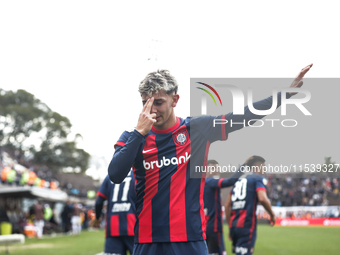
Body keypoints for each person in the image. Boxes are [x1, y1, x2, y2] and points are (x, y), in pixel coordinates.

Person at [108, 64, 312, 255]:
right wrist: (138, 134)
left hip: (190, 239)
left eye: (158, 102)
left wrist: (282, 96)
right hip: (147, 240)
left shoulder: (197, 128)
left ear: (175, 100)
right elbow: (115, 175)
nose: (151, 110)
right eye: (145, 103)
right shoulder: (131, 138)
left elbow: (243, 116)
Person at [224, 156, 276, 255]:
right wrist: (272, 215)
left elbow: (227, 206)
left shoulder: (238, 181)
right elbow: (262, 198)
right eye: (263, 167)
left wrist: (230, 227)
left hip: (234, 227)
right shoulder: (257, 178)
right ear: (257, 166)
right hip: (246, 226)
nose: (265, 170)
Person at [204, 160, 244, 255]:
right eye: (213, 168)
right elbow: (230, 181)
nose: (216, 170)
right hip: (214, 227)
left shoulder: (204, 183)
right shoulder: (211, 181)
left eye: (217, 168)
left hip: (205, 226)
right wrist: (244, 166)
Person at [94, 170, 136, 255]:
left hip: (113, 227)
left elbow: (99, 202)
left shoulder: (109, 177)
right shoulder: (137, 174)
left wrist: (97, 218)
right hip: (134, 226)